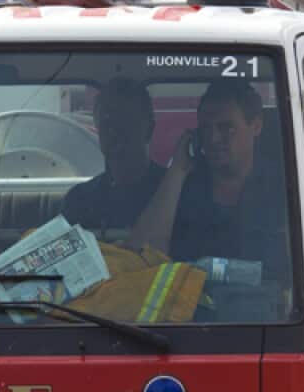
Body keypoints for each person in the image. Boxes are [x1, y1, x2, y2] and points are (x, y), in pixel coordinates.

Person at [128, 79, 286, 272]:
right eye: (205, 128)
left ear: (256, 126)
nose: (213, 138)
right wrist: (177, 170)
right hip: (189, 298)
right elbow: (140, 256)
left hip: (269, 300)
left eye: (226, 127)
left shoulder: (284, 187)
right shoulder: (181, 186)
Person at [62, 78, 164, 237]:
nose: (114, 132)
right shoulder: (79, 199)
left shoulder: (174, 191)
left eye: (125, 122)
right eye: (106, 123)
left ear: (149, 129)